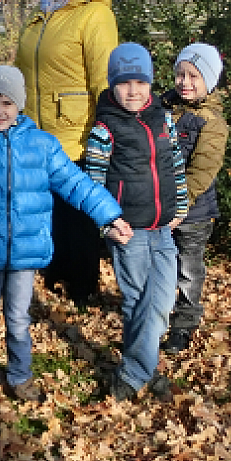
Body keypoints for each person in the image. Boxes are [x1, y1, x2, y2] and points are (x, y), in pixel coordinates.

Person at [0, 66, 130, 404]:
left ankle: (20, 375)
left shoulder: (42, 146)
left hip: (25, 249)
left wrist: (109, 215)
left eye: (6, 102)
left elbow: (77, 184)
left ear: (20, 104)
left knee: (18, 319)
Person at [16, 0, 119, 308]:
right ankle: (56, 273)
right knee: (50, 209)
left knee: (77, 214)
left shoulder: (94, 14)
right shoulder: (39, 16)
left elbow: (103, 77)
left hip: (76, 131)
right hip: (35, 132)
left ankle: (83, 287)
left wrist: (107, 126)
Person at [85, 43, 188, 401]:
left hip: (163, 226)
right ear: (113, 84)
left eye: (140, 82)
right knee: (136, 302)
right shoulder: (105, 127)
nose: (133, 90)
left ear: (151, 83)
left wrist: (181, 202)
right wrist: (107, 222)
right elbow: (93, 182)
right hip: (128, 230)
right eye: (124, 83)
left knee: (160, 301)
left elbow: (174, 162)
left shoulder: (163, 118)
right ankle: (143, 372)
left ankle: (133, 371)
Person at [160, 43, 228, 355]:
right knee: (161, 265)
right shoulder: (164, 108)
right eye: (180, 74)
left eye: (194, 76)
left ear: (209, 81)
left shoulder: (211, 122)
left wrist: (179, 206)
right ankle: (156, 318)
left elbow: (201, 172)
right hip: (161, 207)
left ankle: (185, 321)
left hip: (193, 212)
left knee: (188, 266)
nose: (185, 82)